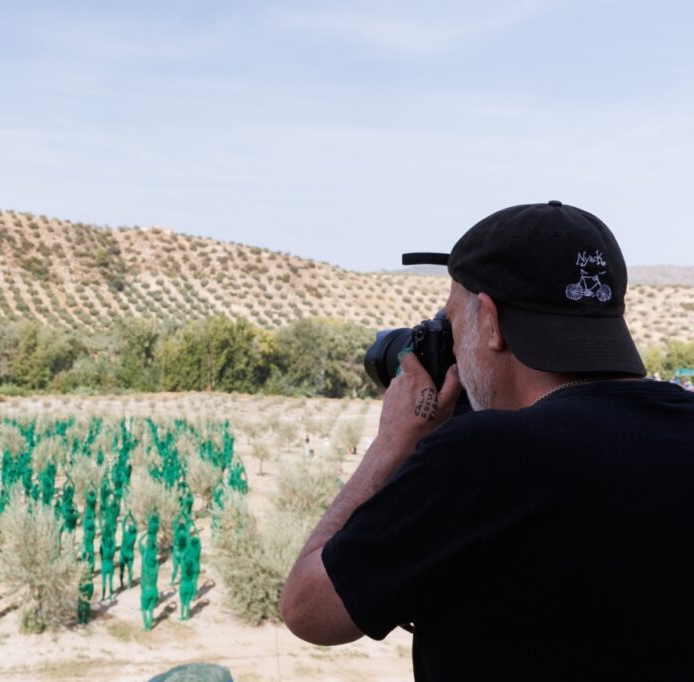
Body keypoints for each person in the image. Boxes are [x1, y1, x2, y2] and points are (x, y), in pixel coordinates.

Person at [280, 201, 694, 681]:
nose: (453, 347)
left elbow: (309, 609)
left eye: (454, 324)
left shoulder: (482, 457)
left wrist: (393, 442)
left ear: (492, 325)